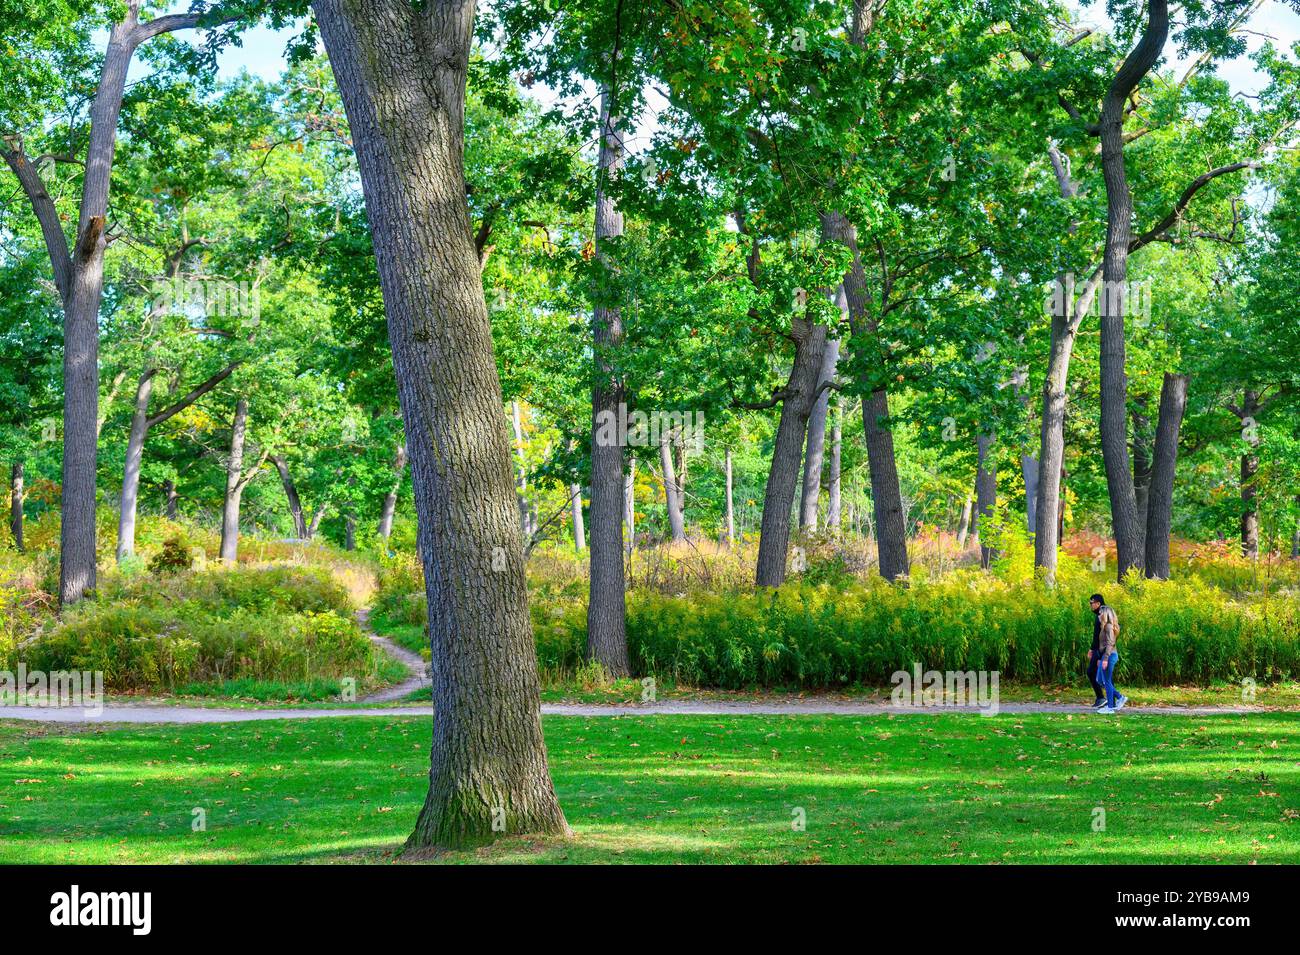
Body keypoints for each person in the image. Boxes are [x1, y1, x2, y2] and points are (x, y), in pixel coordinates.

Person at [1087, 593, 1127, 712]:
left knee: (1106, 680)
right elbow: (1101, 645)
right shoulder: (1104, 627)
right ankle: (1115, 700)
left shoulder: (1108, 627)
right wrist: (1099, 657)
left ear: (1105, 614)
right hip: (1103, 656)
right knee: (1101, 679)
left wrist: (1104, 659)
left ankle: (1112, 705)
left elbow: (1110, 644)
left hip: (1109, 656)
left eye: (1100, 614)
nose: (1098, 615)